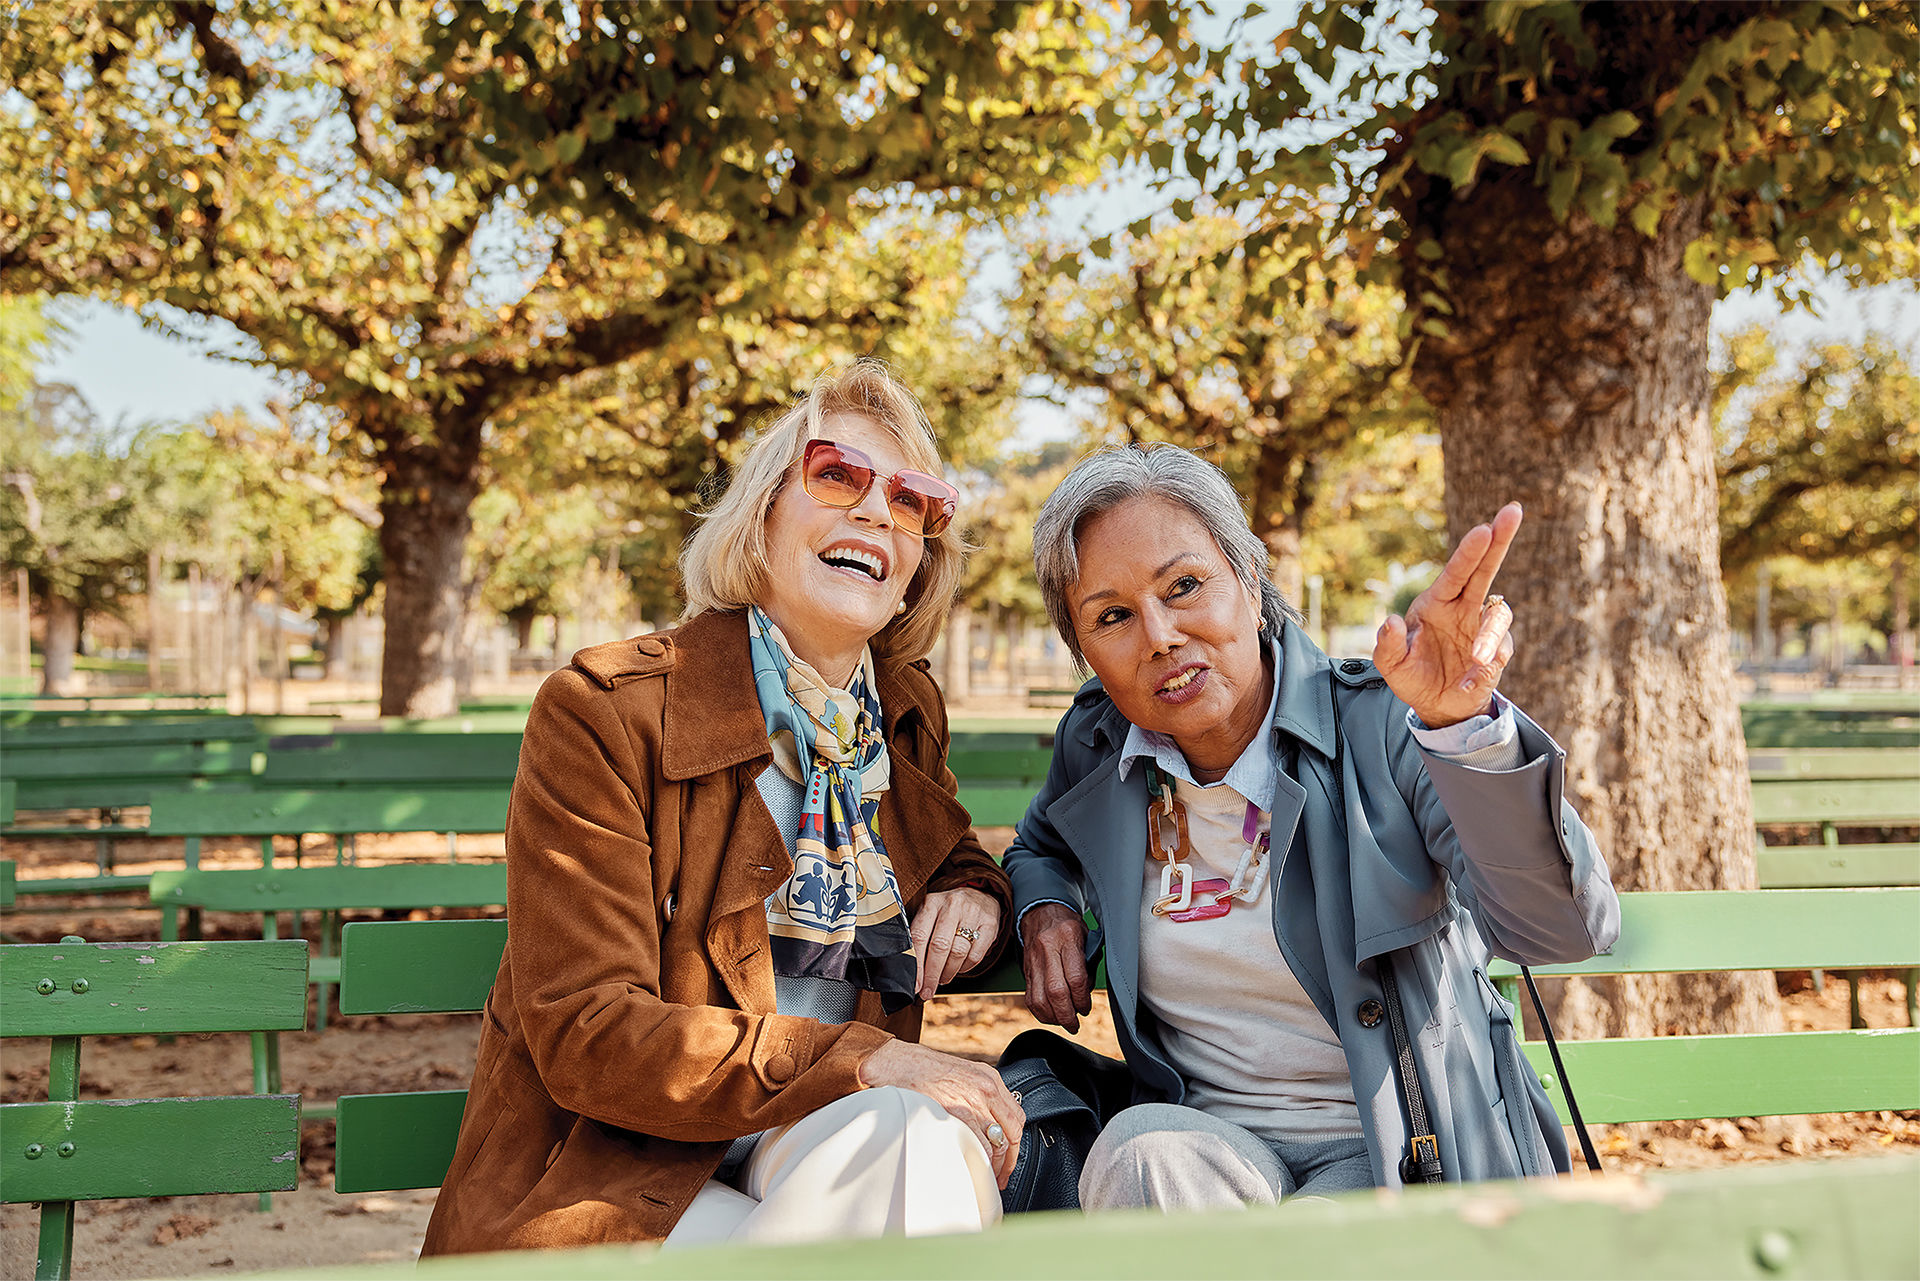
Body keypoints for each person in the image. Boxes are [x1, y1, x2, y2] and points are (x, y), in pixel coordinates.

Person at [423, 361, 1025, 1256]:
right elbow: (589, 1030)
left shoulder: (896, 715)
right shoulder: (607, 709)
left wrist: (977, 889)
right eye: (837, 475)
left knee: (915, 1143)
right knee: (901, 1147)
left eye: (911, 500)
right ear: (763, 512)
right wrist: (860, 1057)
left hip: (811, 1137)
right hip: (618, 1169)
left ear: (916, 561)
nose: (873, 512)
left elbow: (946, 848)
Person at [1004, 444, 1620, 1211]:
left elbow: (1562, 929)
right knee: (1140, 1152)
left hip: (1401, 1152)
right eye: (1113, 616)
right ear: (1086, 652)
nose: (1159, 635)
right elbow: (1039, 847)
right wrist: (1046, 904)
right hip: (1215, 1150)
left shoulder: (1385, 726)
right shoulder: (1098, 747)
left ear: (1252, 585)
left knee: (1319, 1242)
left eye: (1185, 585)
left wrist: (1468, 732)